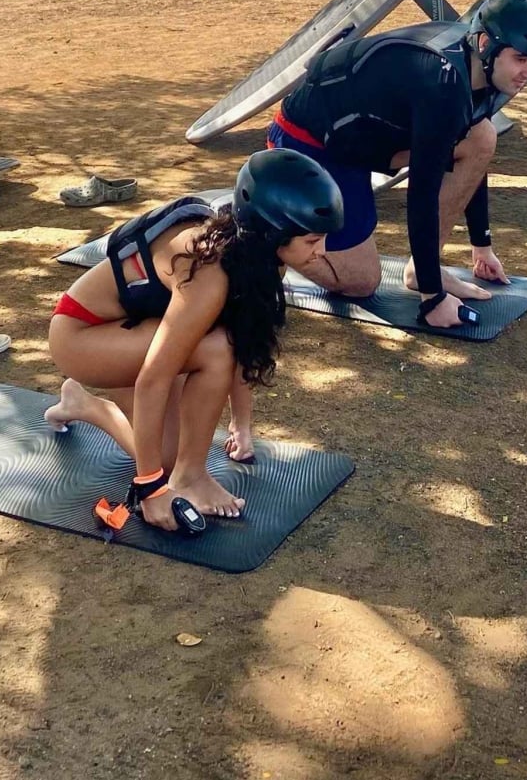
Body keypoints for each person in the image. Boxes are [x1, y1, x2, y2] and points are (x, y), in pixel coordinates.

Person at [42, 149, 344, 529]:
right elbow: (156, 376)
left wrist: (242, 426)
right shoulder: (208, 270)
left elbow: (247, 336)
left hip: (139, 330)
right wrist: (151, 490)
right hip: (80, 336)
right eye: (314, 240)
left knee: (167, 455)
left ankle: (84, 405)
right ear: (273, 233)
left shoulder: (262, 257)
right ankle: (192, 477)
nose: (323, 251)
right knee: (215, 350)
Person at [267, 0, 527, 329]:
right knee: (361, 282)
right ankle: (264, 235)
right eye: (521, 59)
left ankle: (422, 268)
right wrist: (433, 299)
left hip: (365, 137)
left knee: (482, 136)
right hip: (311, 142)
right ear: (487, 43)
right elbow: (422, 193)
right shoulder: (441, 85)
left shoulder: (481, 70)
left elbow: (472, 154)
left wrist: (482, 246)